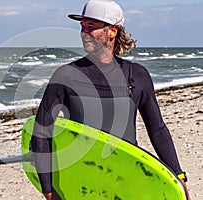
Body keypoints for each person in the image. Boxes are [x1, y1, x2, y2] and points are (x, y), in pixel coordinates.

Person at [30, 0, 189, 199]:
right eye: (82, 26)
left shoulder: (136, 76)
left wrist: (178, 176)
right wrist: (49, 190)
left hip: (127, 178)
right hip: (82, 182)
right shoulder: (66, 76)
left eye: (91, 27)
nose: (84, 32)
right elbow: (41, 133)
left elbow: (157, 130)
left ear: (112, 31)